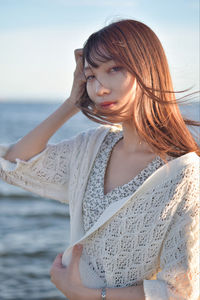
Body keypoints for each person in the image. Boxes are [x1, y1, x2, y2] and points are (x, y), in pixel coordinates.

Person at [0, 19, 199, 300]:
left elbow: (181, 291)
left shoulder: (183, 173)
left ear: (148, 70)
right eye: (91, 76)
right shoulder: (93, 146)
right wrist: (72, 102)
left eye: (114, 69)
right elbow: (14, 165)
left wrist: (83, 293)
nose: (99, 88)